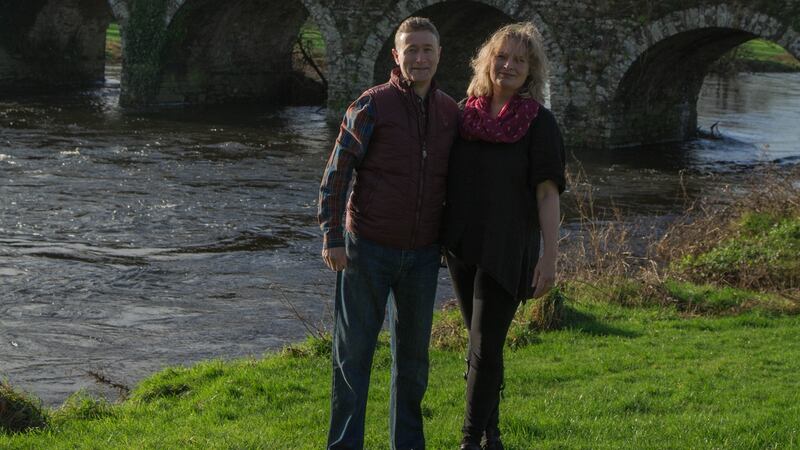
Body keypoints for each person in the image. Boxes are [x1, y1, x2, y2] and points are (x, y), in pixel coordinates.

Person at [317, 16, 459, 450]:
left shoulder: (450, 112)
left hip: (422, 256)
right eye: (411, 49)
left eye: (427, 49)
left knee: (413, 365)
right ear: (396, 56)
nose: (420, 58)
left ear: (440, 55)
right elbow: (337, 172)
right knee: (352, 358)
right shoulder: (371, 105)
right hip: (367, 250)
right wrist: (332, 237)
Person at [442, 22, 566, 450]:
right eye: (502, 57)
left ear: (531, 70)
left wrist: (549, 258)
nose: (509, 65)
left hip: (508, 246)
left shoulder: (540, 123)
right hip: (462, 246)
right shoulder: (465, 114)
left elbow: (547, 194)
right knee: (482, 347)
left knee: (485, 344)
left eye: (520, 60)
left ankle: (469, 440)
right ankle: (491, 435)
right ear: (487, 61)